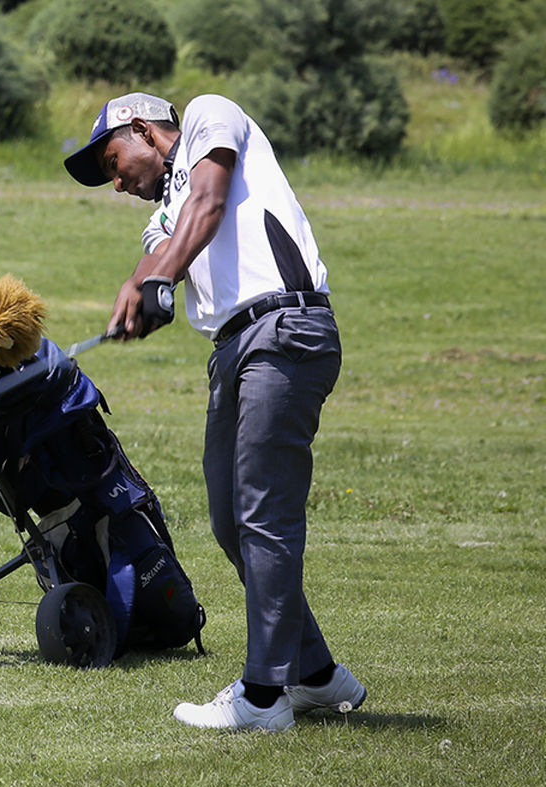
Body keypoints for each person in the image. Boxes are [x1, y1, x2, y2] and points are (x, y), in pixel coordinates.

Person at [63, 92, 366, 731]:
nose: (116, 183)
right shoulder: (161, 212)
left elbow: (209, 200)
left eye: (114, 162)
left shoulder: (209, 114)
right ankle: (313, 674)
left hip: (284, 330)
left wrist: (157, 280)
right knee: (232, 521)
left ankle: (262, 697)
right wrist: (137, 289)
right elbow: (160, 251)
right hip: (234, 352)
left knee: (263, 514)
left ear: (143, 129)